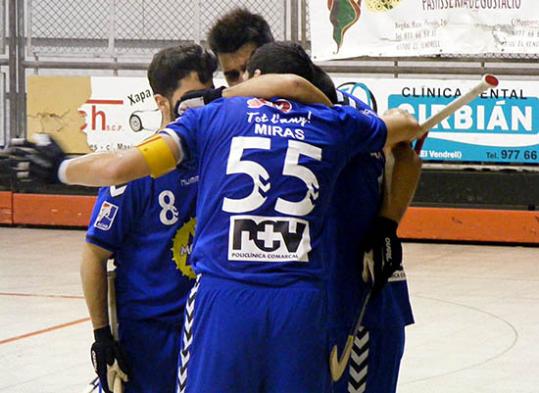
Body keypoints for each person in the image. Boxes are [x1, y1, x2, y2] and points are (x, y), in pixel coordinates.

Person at [8, 42, 423, 392]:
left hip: (224, 298)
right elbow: (406, 125)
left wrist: (61, 167)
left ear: (254, 76)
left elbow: (119, 167)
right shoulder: (336, 122)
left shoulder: (211, 118)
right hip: (299, 299)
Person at [208, 9, 420, 392]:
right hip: (294, 308)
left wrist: (387, 225)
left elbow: (406, 149)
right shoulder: (234, 125)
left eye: (247, 71)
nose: (243, 83)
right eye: (231, 76)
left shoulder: (340, 113)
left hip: (358, 300)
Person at [80, 43, 216, 393]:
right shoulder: (136, 171)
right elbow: (94, 255)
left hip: (209, 324)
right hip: (151, 333)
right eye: (190, 99)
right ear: (161, 102)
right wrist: (102, 337)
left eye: (208, 96)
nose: (201, 107)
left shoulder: (219, 158)